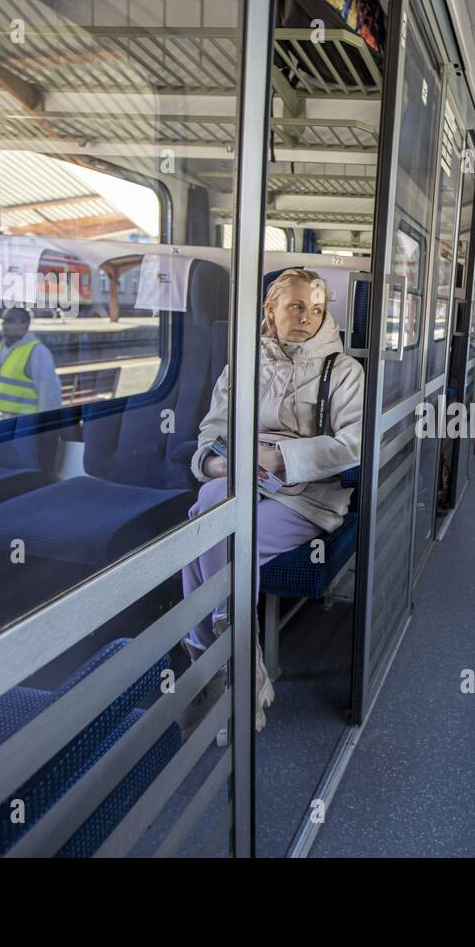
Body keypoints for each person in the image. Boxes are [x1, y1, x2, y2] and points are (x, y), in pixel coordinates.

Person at [182, 269, 364, 734]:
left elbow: (353, 446)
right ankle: (236, 670)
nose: (307, 318)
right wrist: (215, 463)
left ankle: (226, 673)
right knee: (205, 511)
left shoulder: (343, 371)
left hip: (309, 495)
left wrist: (279, 458)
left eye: (317, 309)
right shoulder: (243, 363)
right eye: (296, 306)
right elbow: (212, 431)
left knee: (218, 534)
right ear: (271, 310)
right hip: (243, 479)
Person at [0, 306, 60, 421]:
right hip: (6, 417)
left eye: (10, 321)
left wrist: (48, 424)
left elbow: (48, 391)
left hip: (28, 420)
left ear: (25, 324)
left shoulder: (37, 352)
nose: (4, 324)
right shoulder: (0, 348)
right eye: (3, 321)